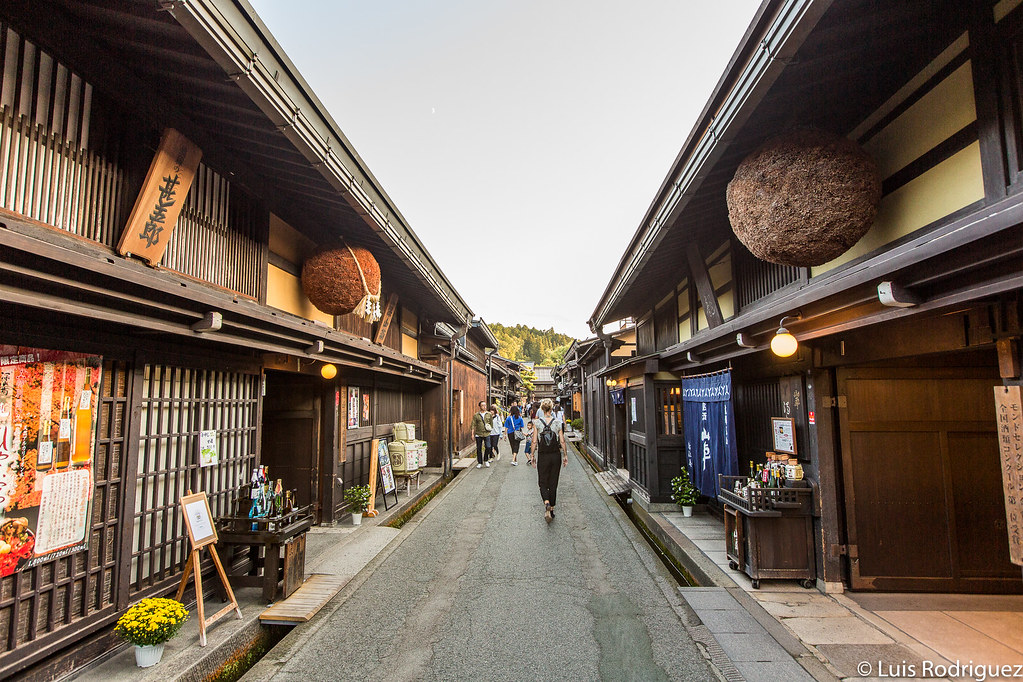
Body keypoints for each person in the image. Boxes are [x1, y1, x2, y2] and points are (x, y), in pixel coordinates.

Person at [531, 398, 567, 523]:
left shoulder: (537, 423)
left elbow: (534, 441)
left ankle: (546, 502)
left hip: (543, 455)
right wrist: (565, 455)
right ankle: (551, 509)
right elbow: (562, 440)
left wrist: (532, 455)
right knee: (553, 482)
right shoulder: (557, 422)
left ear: (542, 409)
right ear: (551, 409)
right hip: (555, 455)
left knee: (542, 482)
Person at [471, 400, 493, 468]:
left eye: (485, 405)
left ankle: (486, 459)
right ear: (480, 407)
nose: (484, 407)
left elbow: (491, 423)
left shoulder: (489, 414)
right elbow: (473, 424)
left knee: (488, 447)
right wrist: (472, 434)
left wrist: (490, 430)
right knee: (479, 448)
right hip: (478, 433)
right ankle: (480, 462)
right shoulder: (476, 415)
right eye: (483, 405)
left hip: (487, 433)